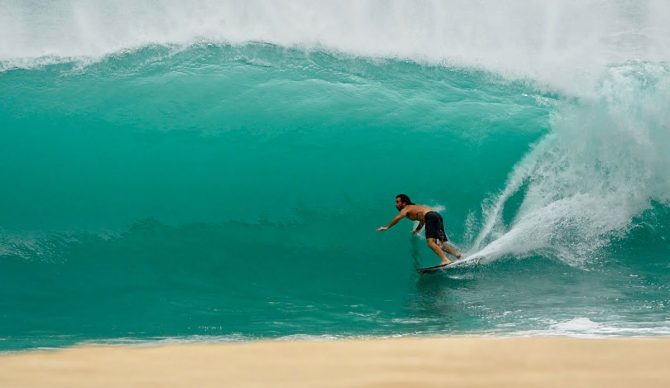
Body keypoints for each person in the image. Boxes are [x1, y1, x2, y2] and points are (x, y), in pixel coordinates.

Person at [377, 194, 462, 265]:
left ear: (404, 203)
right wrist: (417, 230)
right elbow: (422, 219)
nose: (396, 204)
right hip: (437, 216)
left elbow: (398, 218)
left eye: (397, 202)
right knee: (441, 245)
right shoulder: (415, 207)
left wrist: (387, 227)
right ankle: (459, 256)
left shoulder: (406, 208)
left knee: (430, 243)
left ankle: (445, 260)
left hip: (430, 217)